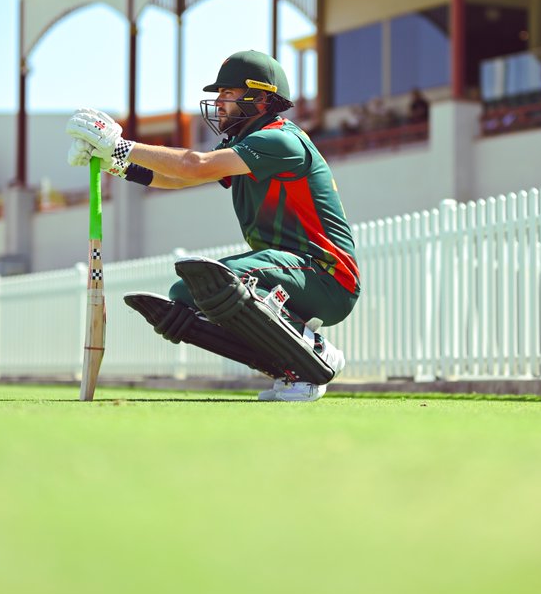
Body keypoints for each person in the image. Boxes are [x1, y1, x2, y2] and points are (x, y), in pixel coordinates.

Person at [66, 50, 360, 402]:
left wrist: (121, 145)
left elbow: (194, 165)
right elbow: (176, 180)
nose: (218, 102)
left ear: (261, 97)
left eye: (228, 93)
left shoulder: (280, 140)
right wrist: (115, 162)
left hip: (324, 275)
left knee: (223, 281)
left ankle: (313, 349)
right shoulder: (245, 143)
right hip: (291, 270)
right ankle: (291, 369)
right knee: (186, 296)